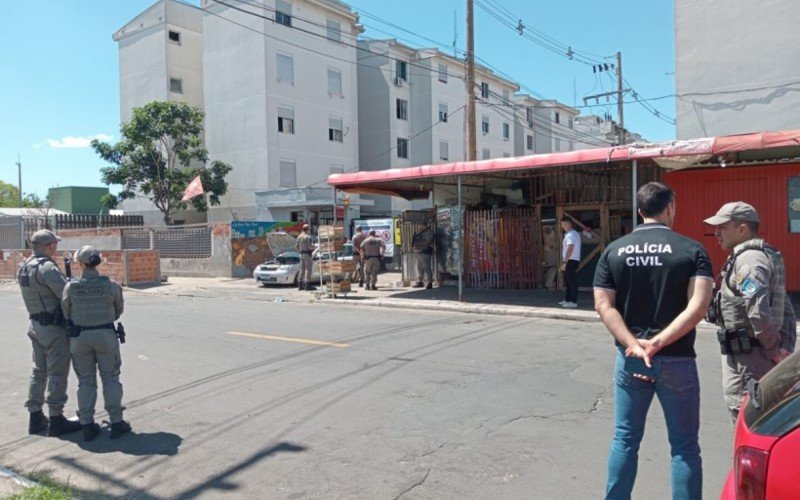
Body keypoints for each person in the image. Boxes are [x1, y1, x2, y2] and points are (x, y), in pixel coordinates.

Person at [593, 182, 713, 499]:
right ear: (670, 207)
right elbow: (698, 306)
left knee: (625, 438)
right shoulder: (692, 250)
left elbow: (603, 305)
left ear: (639, 210)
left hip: (632, 359)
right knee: (684, 446)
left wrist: (634, 344)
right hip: (678, 359)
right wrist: (658, 342)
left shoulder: (613, 251)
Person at [703, 202, 796, 424]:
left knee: (747, 416)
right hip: (750, 356)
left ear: (742, 229)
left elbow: (757, 308)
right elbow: (784, 305)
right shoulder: (753, 256)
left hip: (750, 360)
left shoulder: (749, 260)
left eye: (723, 227)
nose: (716, 233)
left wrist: (774, 349)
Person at [17, 229, 81, 436]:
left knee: (38, 371)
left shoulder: (24, 266)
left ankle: (35, 416)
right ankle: (56, 418)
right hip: (53, 329)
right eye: (55, 244)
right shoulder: (47, 268)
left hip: (35, 325)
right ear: (50, 245)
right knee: (57, 372)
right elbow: (66, 296)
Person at [62, 246, 130, 441]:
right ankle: (117, 422)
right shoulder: (111, 285)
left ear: (81, 263)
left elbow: (66, 312)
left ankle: (87, 425)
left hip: (80, 337)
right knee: (111, 378)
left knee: (85, 380)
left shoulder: (71, 287)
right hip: (106, 335)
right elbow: (118, 310)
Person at [559, 217, 581, 308]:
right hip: (571, 260)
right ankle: (568, 300)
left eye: (562, 224)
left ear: (567, 223)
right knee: (568, 281)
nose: (562, 226)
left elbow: (570, 247)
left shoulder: (571, 235)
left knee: (571, 281)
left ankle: (573, 301)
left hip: (571, 260)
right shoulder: (572, 233)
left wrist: (565, 262)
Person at [411, 224, 434, 289]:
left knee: (426, 267)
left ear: (424, 225)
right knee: (419, 267)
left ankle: (430, 282)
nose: (419, 226)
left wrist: (419, 241)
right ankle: (420, 281)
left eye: (420, 225)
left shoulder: (429, 232)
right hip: (419, 251)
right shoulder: (421, 232)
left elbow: (427, 241)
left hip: (425, 251)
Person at [295, 224, 316, 291]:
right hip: (307, 254)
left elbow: (296, 246)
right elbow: (309, 247)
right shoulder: (307, 237)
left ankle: (300, 285)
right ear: (307, 229)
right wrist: (314, 247)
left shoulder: (299, 236)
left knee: (302, 270)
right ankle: (307, 285)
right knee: (308, 269)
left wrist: (299, 252)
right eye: (309, 229)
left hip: (301, 254)